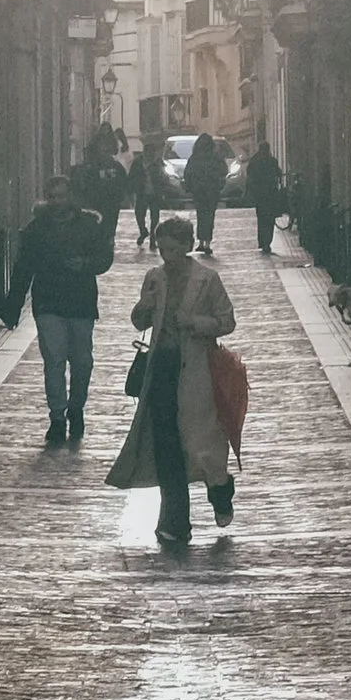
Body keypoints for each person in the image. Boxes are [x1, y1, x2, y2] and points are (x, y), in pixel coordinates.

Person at [115, 213, 237, 544]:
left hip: (197, 372)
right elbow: (139, 320)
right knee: (167, 447)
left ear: (186, 246)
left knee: (203, 445)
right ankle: (175, 521)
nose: (166, 257)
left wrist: (194, 322)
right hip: (162, 370)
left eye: (172, 249)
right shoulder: (155, 277)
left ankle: (221, 490)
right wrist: (145, 305)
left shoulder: (207, 279)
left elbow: (226, 321)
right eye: (162, 250)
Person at [2, 170, 116, 448]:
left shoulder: (90, 224)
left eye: (61, 196)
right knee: (53, 360)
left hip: (81, 303)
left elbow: (104, 258)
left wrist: (85, 264)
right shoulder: (36, 229)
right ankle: (57, 417)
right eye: (52, 197)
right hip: (48, 302)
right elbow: (23, 269)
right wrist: (13, 307)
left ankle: (76, 408)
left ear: (71, 197)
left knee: (82, 361)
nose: (56, 201)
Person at [74, 127, 131, 254]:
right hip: (96, 201)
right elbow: (85, 182)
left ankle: (107, 240)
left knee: (110, 224)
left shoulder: (115, 166)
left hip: (111, 202)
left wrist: (121, 195)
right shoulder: (91, 166)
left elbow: (122, 180)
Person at [181, 131, 229, 255]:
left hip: (199, 191)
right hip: (212, 191)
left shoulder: (195, 157)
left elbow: (188, 173)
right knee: (209, 216)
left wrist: (190, 185)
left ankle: (201, 242)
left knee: (201, 215)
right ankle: (207, 242)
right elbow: (224, 170)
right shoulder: (215, 157)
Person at [246, 138, 286, 262]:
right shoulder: (272, 161)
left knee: (262, 218)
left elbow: (249, 176)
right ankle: (267, 242)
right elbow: (279, 174)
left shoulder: (254, 161)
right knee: (269, 219)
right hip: (271, 195)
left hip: (260, 196)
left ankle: (262, 241)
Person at [129, 140, 166, 248]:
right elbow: (132, 176)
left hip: (155, 193)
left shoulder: (158, 163)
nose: (150, 155)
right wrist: (132, 189)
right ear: (144, 152)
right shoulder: (138, 162)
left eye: (152, 152)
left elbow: (163, 177)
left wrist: (162, 189)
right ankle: (143, 231)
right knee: (139, 214)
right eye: (148, 152)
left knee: (155, 216)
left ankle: (153, 237)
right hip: (142, 192)